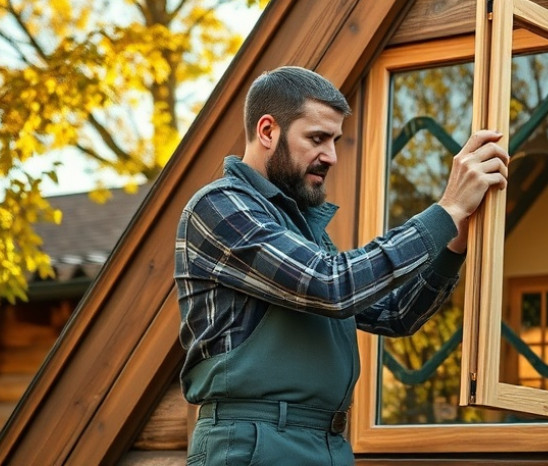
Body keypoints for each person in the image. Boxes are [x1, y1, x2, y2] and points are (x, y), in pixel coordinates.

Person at [174, 66, 508, 465]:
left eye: (334, 140)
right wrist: (446, 209)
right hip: (255, 443)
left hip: (327, 444)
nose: (331, 156)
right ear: (267, 131)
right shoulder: (219, 207)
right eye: (317, 138)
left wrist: (454, 237)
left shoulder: (301, 231)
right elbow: (332, 284)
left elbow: (395, 313)